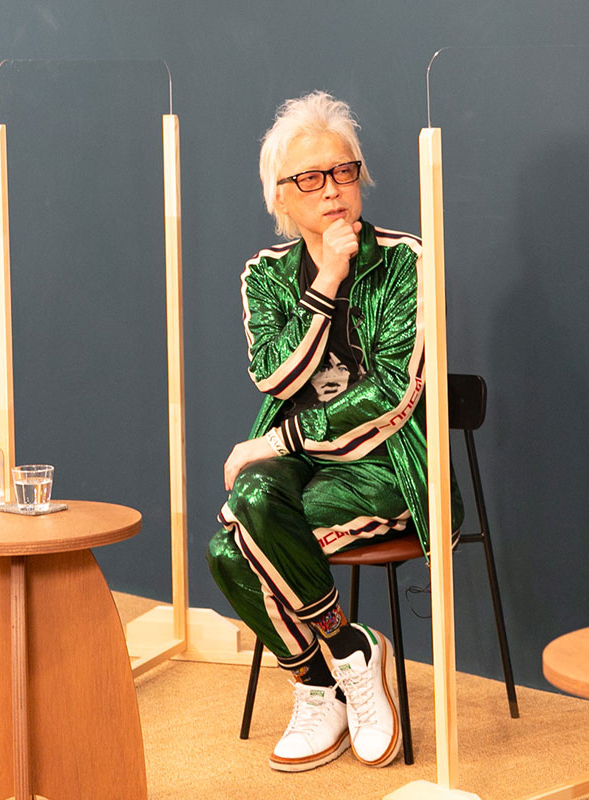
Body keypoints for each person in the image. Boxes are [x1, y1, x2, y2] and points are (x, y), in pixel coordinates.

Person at [207, 90, 462, 773]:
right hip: (307, 463)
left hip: (388, 461)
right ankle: (339, 663)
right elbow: (274, 378)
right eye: (310, 178)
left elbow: (393, 393)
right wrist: (325, 279)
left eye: (344, 171)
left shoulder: (407, 261)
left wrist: (276, 443)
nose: (332, 189)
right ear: (280, 198)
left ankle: (330, 676)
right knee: (246, 519)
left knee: (235, 546)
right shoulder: (266, 275)